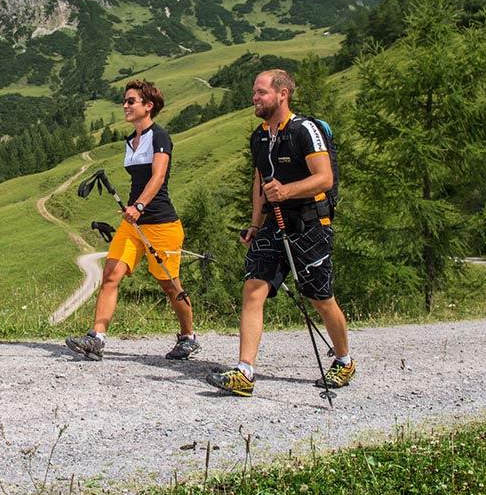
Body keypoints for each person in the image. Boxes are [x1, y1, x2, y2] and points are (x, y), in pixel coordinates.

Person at [209, 69, 355, 397]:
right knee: (253, 288)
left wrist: (287, 191)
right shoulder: (259, 136)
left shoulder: (306, 130)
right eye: (254, 92)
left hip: (310, 223)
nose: (254, 98)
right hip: (273, 223)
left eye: (261, 92)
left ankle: (344, 360)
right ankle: (245, 371)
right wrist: (255, 223)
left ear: (282, 94)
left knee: (320, 297)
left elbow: (324, 178)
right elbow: (260, 182)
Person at [66, 79, 199, 361]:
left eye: (131, 101)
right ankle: (96, 338)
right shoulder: (131, 140)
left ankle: (188, 336)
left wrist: (139, 204)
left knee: (169, 283)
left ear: (148, 106)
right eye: (124, 101)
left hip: (161, 223)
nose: (124, 105)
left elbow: (158, 177)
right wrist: (132, 208)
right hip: (133, 224)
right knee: (110, 275)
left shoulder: (160, 136)